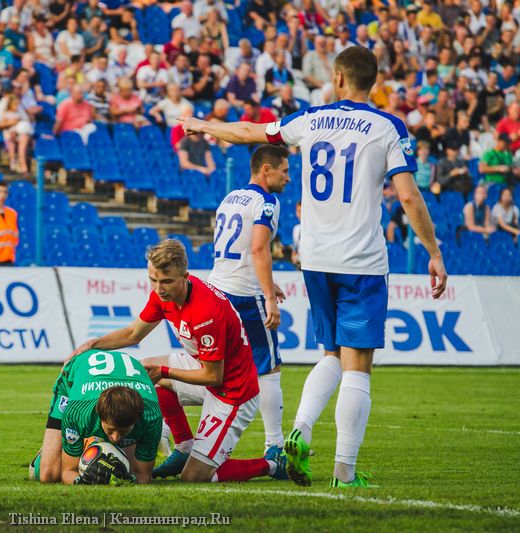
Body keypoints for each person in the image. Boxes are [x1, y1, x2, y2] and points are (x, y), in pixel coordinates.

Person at [179, 46, 447, 488]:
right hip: (361, 259)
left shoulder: (311, 119)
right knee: (358, 364)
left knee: (330, 354)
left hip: (316, 259)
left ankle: (299, 432)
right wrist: (433, 252)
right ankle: (344, 471)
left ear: (338, 78)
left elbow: (249, 131)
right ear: (373, 83)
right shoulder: (387, 127)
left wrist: (202, 125)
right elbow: (407, 195)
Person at [67, 239, 287, 484]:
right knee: (140, 374)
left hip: (233, 392)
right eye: (153, 279)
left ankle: (271, 465)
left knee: (194, 477)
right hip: (204, 365)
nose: (159, 288)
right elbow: (133, 333)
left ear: (185, 276)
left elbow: (214, 377)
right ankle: (184, 447)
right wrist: (91, 344)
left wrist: (164, 371)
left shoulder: (206, 313)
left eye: (166, 281)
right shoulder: (164, 295)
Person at [206, 144, 290, 471]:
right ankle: (275, 448)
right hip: (244, 295)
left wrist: (270, 283)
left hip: (217, 289)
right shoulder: (267, 201)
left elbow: (237, 249)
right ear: (265, 170)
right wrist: (268, 296)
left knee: (215, 370)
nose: (288, 177)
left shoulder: (231, 197)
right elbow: (257, 249)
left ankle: (183, 439)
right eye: (284, 170)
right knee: (268, 368)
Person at [30, 352, 161, 485]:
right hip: (72, 381)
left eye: (123, 431)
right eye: (111, 430)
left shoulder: (151, 417)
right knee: (49, 475)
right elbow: (68, 472)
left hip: (122, 379)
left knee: (126, 470)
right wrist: (82, 481)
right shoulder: (78, 412)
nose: (115, 438)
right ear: (99, 416)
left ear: (136, 420)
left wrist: (127, 480)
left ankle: (98, 441)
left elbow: (143, 476)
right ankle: (49, 452)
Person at [0, 93, 33, 174]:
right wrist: (12, 123)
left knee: (23, 140)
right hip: (9, 135)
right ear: (10, 104)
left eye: (17, 104)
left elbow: (26, 122)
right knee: (11, 144)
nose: (17, 106)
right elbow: (0, 124)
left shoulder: (19, 114)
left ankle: (23, 165)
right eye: (15, 104)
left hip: (18, 134)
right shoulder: (6, 114)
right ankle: (13, 162)